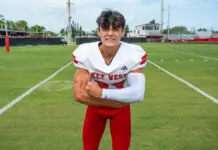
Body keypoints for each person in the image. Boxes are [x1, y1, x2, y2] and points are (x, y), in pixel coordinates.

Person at [72, 9, 147, 150]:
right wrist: (118, 102)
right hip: (104, 107)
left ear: (123, 32)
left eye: (116, 29)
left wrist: (102, 93)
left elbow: (138, 93)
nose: (110, 33)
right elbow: (79, 94)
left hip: (116, 109)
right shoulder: (86, 53)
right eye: (105, 28)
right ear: (98, 31)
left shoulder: (133, 54)